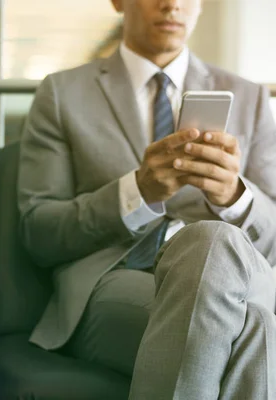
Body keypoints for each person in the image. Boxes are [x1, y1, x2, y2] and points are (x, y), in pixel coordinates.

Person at [18, 0, 276, 398]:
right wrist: (137, 192)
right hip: (118, 277)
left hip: (237, 278)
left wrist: (235, 197)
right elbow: (39, 233)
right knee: (255, 328)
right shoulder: (62, 93)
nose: (172, 4)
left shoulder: (250, 97)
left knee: (212, 241)